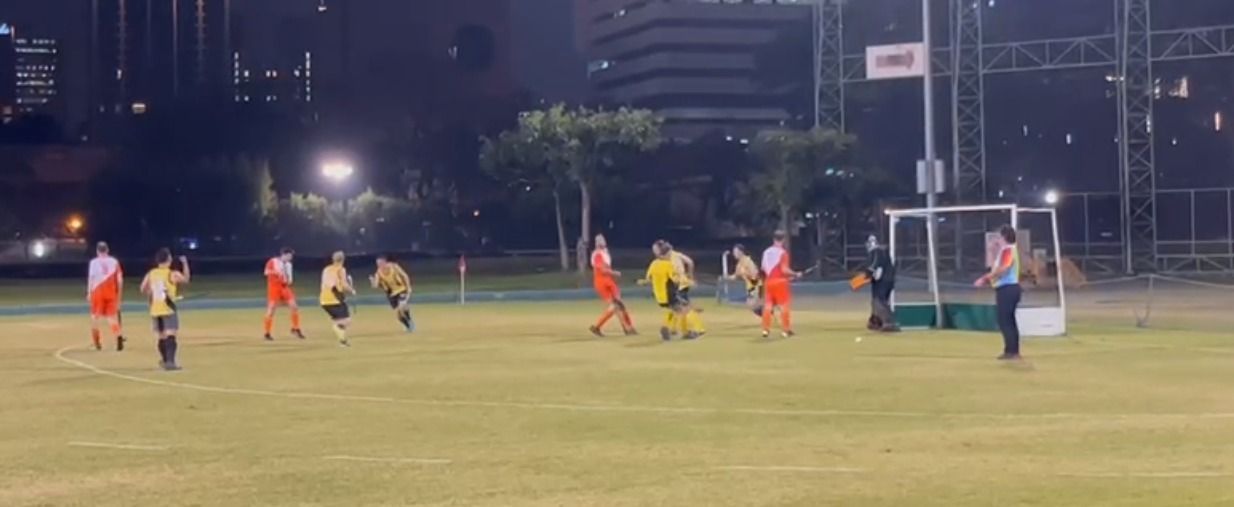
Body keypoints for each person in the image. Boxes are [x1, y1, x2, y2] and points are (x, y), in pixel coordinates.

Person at [975, 225, 1023, 360]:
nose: (996, 239)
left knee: (1005, 321)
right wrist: (991, 251)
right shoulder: (1004, 251)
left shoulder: (1008, 250)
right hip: (1006, 288)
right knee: (1008, 320)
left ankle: (1012, 352)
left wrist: (984, 279)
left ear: (1004, 237)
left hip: (1008, 289)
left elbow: (1003, 269)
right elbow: (993, 268)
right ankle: (1011, 350)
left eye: (998, 236)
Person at [140, 249, 190, 371]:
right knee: (171, 335)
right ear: (169, 259)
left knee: (161, 336)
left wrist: (151, 294)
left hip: (155, 309)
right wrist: (185, 263)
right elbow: (186, 279)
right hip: (168, 308)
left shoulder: (151, 273)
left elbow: (143, 288)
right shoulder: (172, 274)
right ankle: (170, 362)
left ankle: (164, 360)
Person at [642, 241, 692, 341]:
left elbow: (648, 278)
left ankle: (668, 328)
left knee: (674, 310)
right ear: (666, 253)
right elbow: (675, 280)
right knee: (683, 310)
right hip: (669, 294)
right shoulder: (668, 265)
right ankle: (684, 332)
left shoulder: (654, 264)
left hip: (659, 295)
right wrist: (686, 280)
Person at [589, 234, 636, 337]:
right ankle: (627, 328)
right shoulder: (598, 254)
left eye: (602, 239)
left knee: (617, 306)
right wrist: (614, 273)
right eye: (599, 240)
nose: (602, 242)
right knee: (617, 305)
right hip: (603, 281)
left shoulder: (602, 253)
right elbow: (601, 269)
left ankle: (627, 328)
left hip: (604, 281)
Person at [760, 230, 801, 338]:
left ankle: (765, 329)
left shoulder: (766, 252)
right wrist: (795, 274)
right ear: (783, 240)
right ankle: (785, 330)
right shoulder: (782, 253)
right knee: (784, 306)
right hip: (780, 283)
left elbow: (764, 268)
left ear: (773, 239)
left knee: (768, 306)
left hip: (768, 282)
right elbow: (784, 270)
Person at [87, 242, 126, 351]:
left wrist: (89, 292)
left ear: (97, 251)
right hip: (110, 292)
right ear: (107, 250)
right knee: (111, 317)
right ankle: (118, 337)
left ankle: (97, 343)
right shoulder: (114, 261)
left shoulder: (93, 262)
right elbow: (120, 280)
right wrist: (119, 294)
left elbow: (91, 278)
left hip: (97, 291)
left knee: (95, 317)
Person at [263, 248, 305, 341]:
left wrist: (289, 280)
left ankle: (296, 328)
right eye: (289, 256)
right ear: (284, 255)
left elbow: (289, 277)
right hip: (274, 287)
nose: (290, 258)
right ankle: (267, 332)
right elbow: (266, 272)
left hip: (284, 287)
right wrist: (277, 273)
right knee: (271, 309)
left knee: (294, 306)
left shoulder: (289, 265)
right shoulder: (273, 261)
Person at [665, 242, 705, 337]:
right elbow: (690, 262)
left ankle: (698, 328)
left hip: (679, 285)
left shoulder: (668, 258)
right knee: (676, 307)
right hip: (683, 283)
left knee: (684, 307)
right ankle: (672, 329)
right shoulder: (677, 254)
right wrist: (690, 276)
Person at [862, 235, 900, 332]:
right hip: (886, 280)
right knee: (877, 301)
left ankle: (889, 323)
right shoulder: (883, 252)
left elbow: (874, 264)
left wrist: (869, 272)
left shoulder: (876, 251)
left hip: (883, 281)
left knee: (879, 301)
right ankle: (875, 321)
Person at [370, 253, 415, 332]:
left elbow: (405, 276)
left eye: (380, 263)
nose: (379, 266)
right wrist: (372, 281)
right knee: (399, 315)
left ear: (385, 262)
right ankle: (407, 325)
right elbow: (375, 286)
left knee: (402, 306)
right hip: (391, 294)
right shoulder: (378, 273)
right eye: (377, 264)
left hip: (401, 289)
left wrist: (409, 287)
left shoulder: (394, 267)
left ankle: (409, 320)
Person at [320, 251, 356, 347]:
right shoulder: (341, 269)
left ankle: (343, 341)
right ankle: (340, 335)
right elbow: (344, 285)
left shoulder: (326, 269)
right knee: (346, 321)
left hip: (324, 300)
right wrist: (352, 290)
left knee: (339, 320)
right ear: (343, 259)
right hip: (334, 298)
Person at [729, 244, 763, 318]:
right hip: (750, 286)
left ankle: (768, 316)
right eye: (734, 252)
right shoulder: (739, 264)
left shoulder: (748, 261)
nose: (734, 254)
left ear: (741, 252)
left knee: (752, 304)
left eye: (735, 251)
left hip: (755, 284)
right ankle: (767, 315)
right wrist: (728, 277)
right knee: (753, 305)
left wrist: (746, 273)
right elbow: (736, 275)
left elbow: (755, 273)